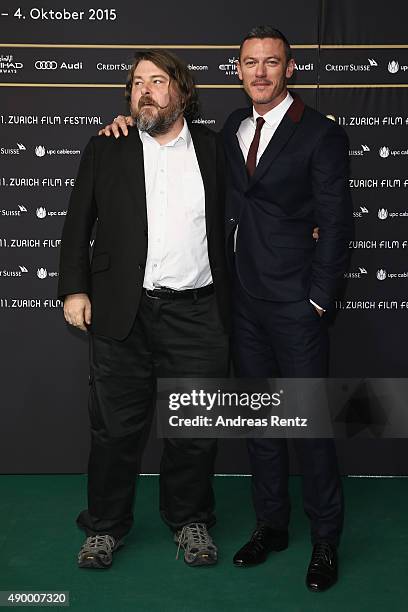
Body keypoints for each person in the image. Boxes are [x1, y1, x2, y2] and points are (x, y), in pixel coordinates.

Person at [101, 26, 353, 592]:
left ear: (289, 68)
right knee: (261, 425)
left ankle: (326, 539)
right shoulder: (232, 128)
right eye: (249, 63)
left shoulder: (320, 133)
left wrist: (318, 297)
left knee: (308, 425)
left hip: (295, 305)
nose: (260, 73)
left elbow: (337, 222)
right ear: (237, 69)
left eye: (271, 63)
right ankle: (272, 525)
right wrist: (119, 126)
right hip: (238, 302)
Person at [58, 49, 230, 570]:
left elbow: (261, 205)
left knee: (194, 428)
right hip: (120, 312)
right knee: (114, 430)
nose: (145, 91)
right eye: (137, 83)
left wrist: (306, 226)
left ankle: (189, 519)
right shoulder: (106, 147)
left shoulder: (216, 149)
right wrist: (74, 290)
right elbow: (76, 223)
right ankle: (105, 527)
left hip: (198, 313)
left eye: (158, 81)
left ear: (183, 92)